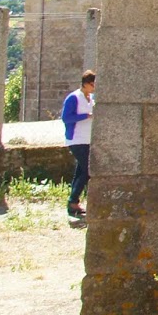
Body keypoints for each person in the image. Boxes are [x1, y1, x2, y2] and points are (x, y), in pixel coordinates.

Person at [61, 70, 95, 219]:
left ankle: (72, 202)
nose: (94, 87)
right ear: (86, 84)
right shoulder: (74, 98)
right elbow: (66, 118)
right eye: (93, 85)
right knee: (87, 170)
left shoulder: (91, 98)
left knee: (80, 171)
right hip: (76, 139)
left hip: (88, 139)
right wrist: (86, 116)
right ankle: (73, 201)